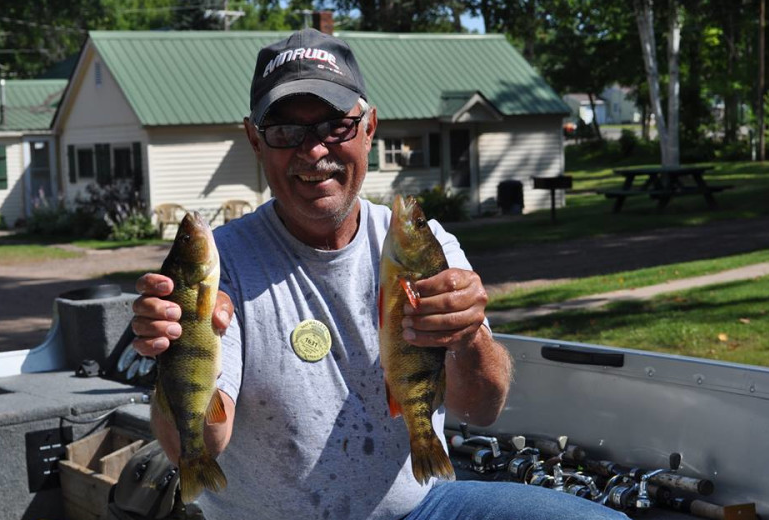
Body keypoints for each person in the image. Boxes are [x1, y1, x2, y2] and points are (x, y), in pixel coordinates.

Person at [132, 28, 626, 520]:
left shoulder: (424, 247)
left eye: (334, 126)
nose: (314, 151)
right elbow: (204, 445)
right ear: (255, 141)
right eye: (285, 132)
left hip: (422, 508)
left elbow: (481, 411)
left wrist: (469, 335)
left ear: (370, 128)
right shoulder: (224, 264)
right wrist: (172, 355)